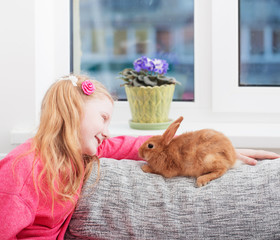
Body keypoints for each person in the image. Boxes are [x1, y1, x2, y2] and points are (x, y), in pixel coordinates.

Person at [0, 75, 279, 239]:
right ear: (73, 112)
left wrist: (224, 153)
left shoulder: (74, 153)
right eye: (104, 118)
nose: (107, 132)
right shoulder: (23, 171)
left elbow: (131, 145)